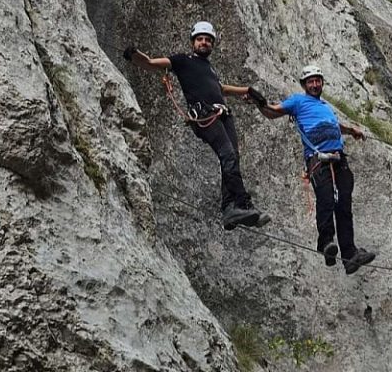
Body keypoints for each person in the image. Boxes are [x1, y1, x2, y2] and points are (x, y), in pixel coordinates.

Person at [123, 22, 271, 230]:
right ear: (193, 42)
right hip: (205, 116)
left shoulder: (209, 69)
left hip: (222, 114)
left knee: (232, 157)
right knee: (228, 154)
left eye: (208, 40)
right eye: (200, 39)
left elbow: (221, 89)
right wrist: (135, 55)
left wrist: (247, 90)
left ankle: (230, 208)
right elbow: (151, 64)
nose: (204, 42)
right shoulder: (183, 60)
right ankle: (242, 204)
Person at [258, 65, 376, 274]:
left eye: (317, 81)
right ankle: (326, 242)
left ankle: (350, 255)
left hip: (339, 158)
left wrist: (351, 131)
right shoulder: (298, 101)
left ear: (322, 83)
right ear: (304, 85)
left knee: (344, 206)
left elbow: (335, 125)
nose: (314, 84)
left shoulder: (325, 107)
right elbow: (272, 112)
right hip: (318, 159)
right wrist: (259, 102)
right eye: (310, 81)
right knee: (326, 199)